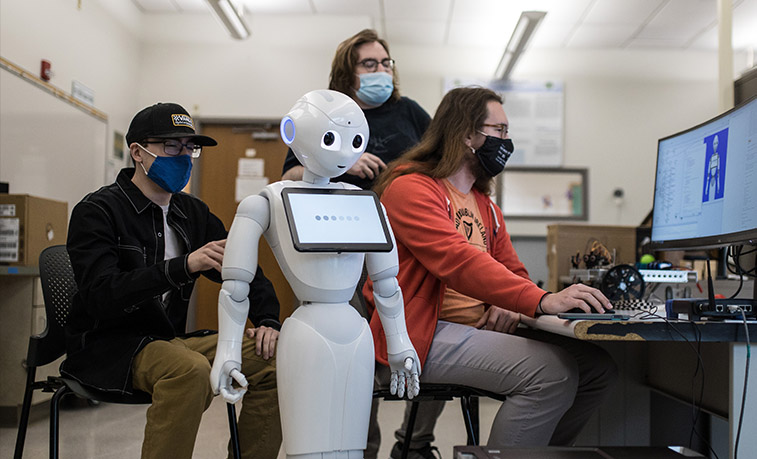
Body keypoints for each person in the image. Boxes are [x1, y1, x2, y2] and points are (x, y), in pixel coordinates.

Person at [364, 87, 618, 457]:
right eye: (499, 130)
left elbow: (512, 269)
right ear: (467, 134)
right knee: (552, 372)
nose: (506, 141)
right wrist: (541, 300)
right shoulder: (410, 188)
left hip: (473, 328)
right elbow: (457, 261)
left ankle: (539, 454)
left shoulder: (485, 205)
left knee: (598, 370)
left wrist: (516, 303)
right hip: (419, 335)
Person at [62, 102, 282, 459]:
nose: (183, 156)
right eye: (171, 146)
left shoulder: (191, 212)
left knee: (275, 359)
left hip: (169, 340)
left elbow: (241, 266)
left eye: (188, 147)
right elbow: (101, 295)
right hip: (110, 347)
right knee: (189, 371)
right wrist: (183, 266)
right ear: (138, 152)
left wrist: (268, 320)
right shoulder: (98, 211)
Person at [281, 28, 431, 190]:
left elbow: (440, 157)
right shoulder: (322, 114)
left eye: (386, 63)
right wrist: (342, 163)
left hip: (400, 208)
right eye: (369, 64)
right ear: (347, 73)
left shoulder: (409, 110)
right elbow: (288, 176)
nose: (382, 70)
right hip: (341, 208)